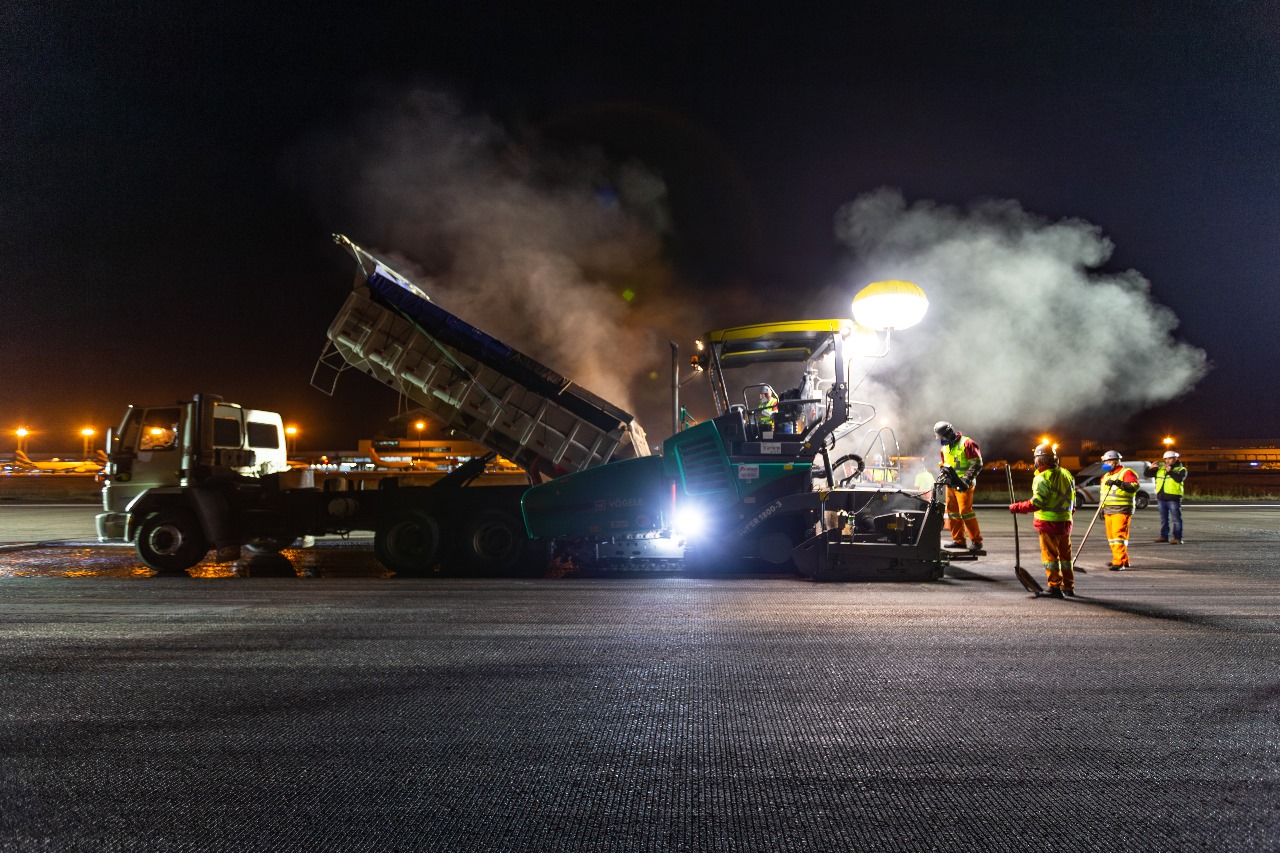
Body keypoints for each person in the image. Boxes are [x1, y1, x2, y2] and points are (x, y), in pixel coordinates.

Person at [1009, 443, 1076, 598]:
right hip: (1065, 522)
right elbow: (1072, 499)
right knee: (1065, 557)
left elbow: (1036, 503)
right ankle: (1068, 586)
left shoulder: (1042, 478)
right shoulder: (1066, 473)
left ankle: (1054, 587)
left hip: (1049, 523)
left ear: (1040, 459)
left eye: (1036, 458)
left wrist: (1016, 507)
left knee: (1051, 557)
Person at [934, 421, 984, 554]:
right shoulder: (944, 448)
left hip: (964, 485)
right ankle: (959, 541)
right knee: (953, 513)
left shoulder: (967, 443)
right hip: (951, 485)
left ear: (949, 433)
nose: (942, 440)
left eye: (943, 437)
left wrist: (966, 480)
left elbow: (977, 464)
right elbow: (944, 465)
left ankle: (976, 541)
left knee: (965, 512)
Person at [1098, 450, 1140, 570]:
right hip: (1108, 510)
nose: (1106, 463)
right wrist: (1101, 508)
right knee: (1112, 537)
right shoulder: (1105, 476)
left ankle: (1119, 562)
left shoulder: (1126, 472)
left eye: (1109, 461)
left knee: (1118, 536)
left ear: (1116, 461)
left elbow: (1134, 487)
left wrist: (1118, 483)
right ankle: (1122, 559)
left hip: (1121, 509)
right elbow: (1103, 494)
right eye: (1105, 461)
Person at [1146, 450, 1188, 544]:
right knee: (1164, 519)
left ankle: (1177, 538)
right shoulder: (1161, 469)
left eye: (1170, 458)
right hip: (1161, 497)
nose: (1167, 461)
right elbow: (1147, 475)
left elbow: (1179, 479)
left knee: (1176, 519)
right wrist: (1150, 468)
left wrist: (1170, 472)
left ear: (1175, 458)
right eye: (1166, 459)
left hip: (1173, 497)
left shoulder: (1181, 470)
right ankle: (1164, 536)